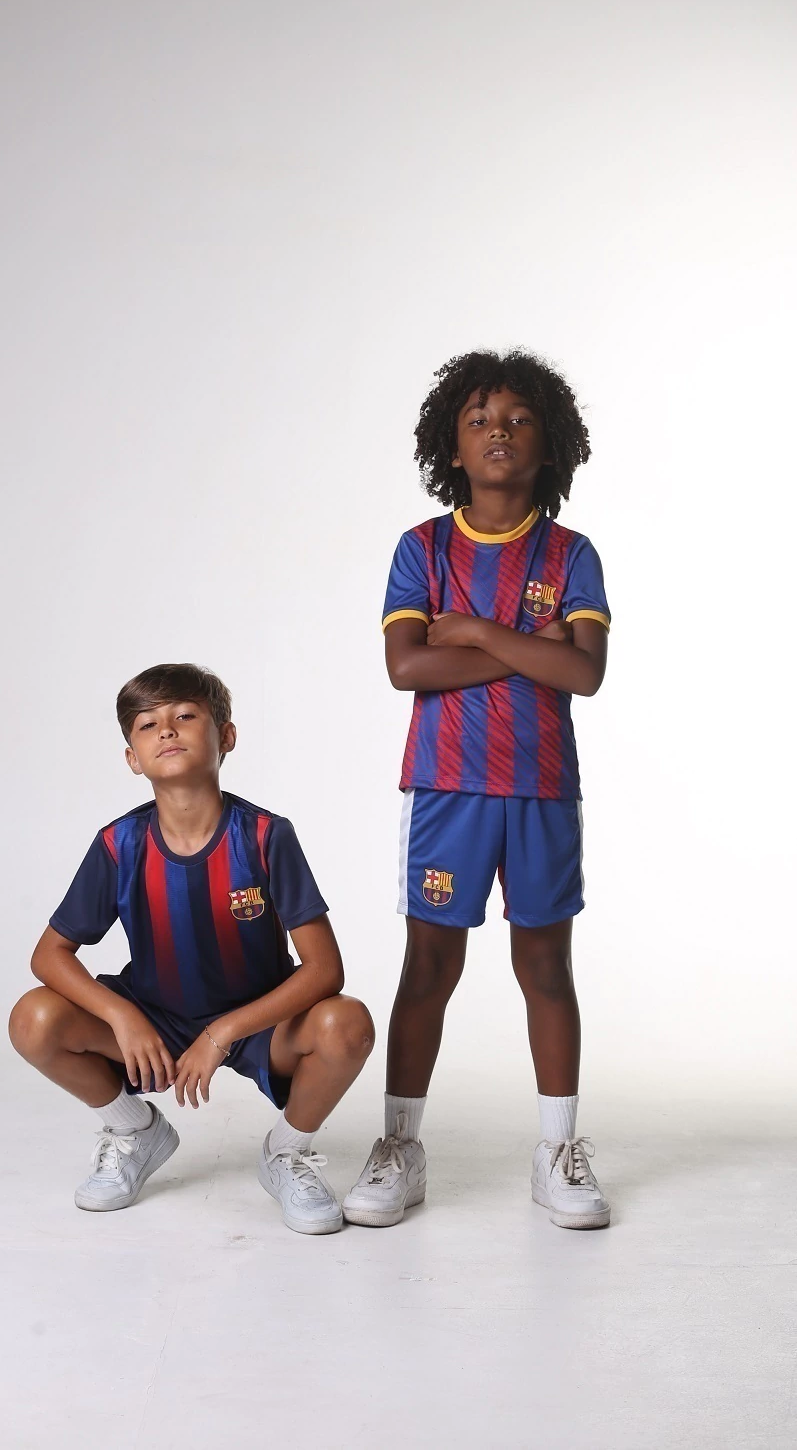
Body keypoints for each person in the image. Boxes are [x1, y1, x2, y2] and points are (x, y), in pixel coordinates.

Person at [342, 349, 611, 1231]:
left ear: (549, 443)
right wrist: (528, 646)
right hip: (446, 788)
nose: (500, 431)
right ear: (451, 447)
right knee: (429, 964)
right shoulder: (421, 548)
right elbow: (406, 666)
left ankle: (557, 1152)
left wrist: (475, 631)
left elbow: (582, 675)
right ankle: (400, 1147)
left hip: (539, 789)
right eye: (480, 419)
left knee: (545, 967)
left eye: (519, 419)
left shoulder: (569, 553)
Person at [10, 663, 374, 1236]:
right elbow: (49, 956)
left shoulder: (265, 836)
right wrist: (124, 1017)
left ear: (226, 736)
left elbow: (326, 970)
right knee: (33, 1018)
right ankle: (135, 1132)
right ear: (132, 757)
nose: (166, 730)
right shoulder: (119, 844)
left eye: (184, 715)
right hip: (155, 1020)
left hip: (259, 1023)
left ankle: (286, 1153)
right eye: (147, 724)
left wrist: (221, 1032)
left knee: (347, 1024)